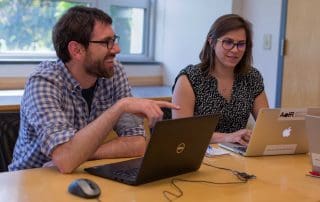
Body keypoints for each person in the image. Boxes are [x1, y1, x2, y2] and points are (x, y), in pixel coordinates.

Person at [8, 6, 179, 173]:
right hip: (30, 182)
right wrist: (120, 106)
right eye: (107, 42)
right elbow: (67, 161)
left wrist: (85, 154)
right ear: (77, 50)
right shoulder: (43, 83)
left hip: (77, 173)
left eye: (115, 39)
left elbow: (137, 143)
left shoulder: (113, 71)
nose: (117, 49)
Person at [172, 14, 268, 145]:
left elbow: (267, 125)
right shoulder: (189, 79)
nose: (235, 50)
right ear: (211, 42)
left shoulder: (252, 77)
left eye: (241, 44)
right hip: (197, 154)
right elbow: (180, 132)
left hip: (238, 155)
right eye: (228, 42)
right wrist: (227, 137)